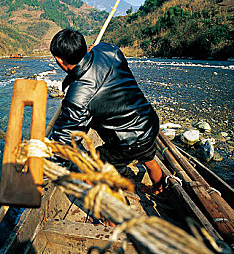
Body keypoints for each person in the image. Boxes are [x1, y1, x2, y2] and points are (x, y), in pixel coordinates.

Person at [49, 28, 164, 194]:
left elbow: (65, 139)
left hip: (127, 142)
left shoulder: (79, 96)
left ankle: (112, 216)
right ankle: (159, 190)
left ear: (59, 60)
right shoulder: (109, 51)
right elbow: (101, 48)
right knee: (150, 160)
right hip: (148, 123)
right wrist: (94, 50)